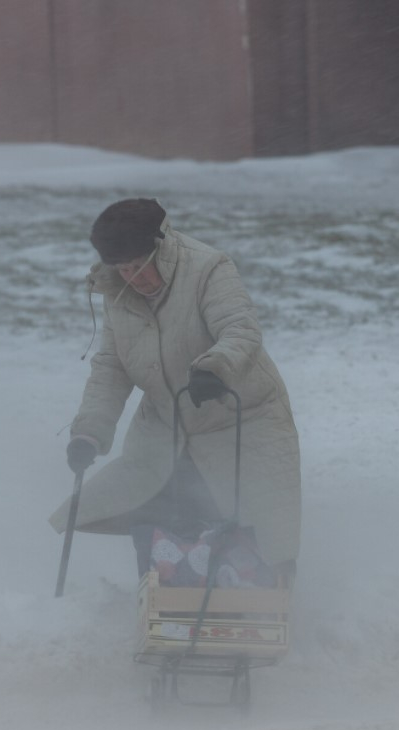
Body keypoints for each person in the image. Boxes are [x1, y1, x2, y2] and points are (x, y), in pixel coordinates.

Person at [49, 198, 301, 581]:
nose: (136, 278)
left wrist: (215, 368)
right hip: (165, 426)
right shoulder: (119, 291)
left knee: (260, 525)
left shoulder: (207, 267)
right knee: (161, 517)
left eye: (141, 265)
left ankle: (259, 612)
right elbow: (112, 368)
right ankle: (166, 608)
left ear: (160, 248)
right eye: (124, 269)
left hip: (240, 417)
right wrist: (89, 431)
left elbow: (240, 328)